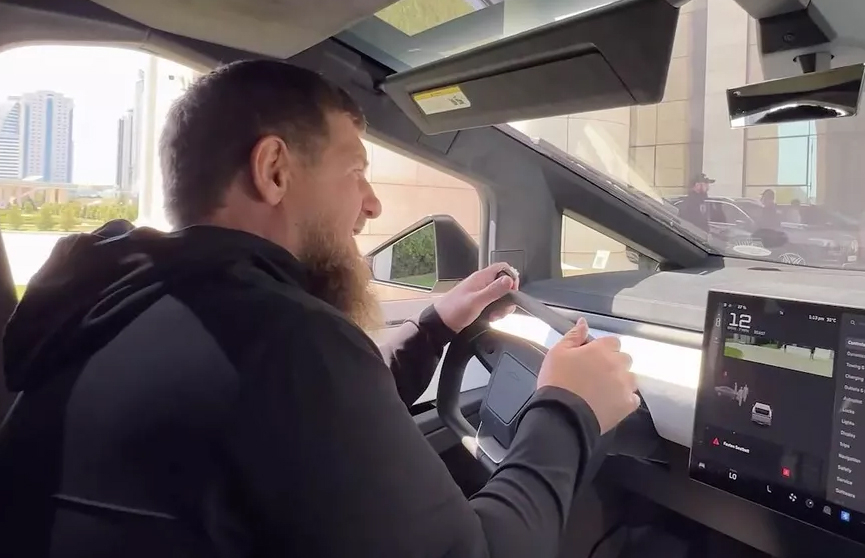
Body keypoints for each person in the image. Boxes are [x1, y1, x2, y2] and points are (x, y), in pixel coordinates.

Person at [0, 60, 639, 558]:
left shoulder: (118, 306)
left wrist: (433, 327)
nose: (372, 204)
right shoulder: (277, 339)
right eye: (355, 171)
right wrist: (569, 408)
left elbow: (306, 428)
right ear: (274, 169)